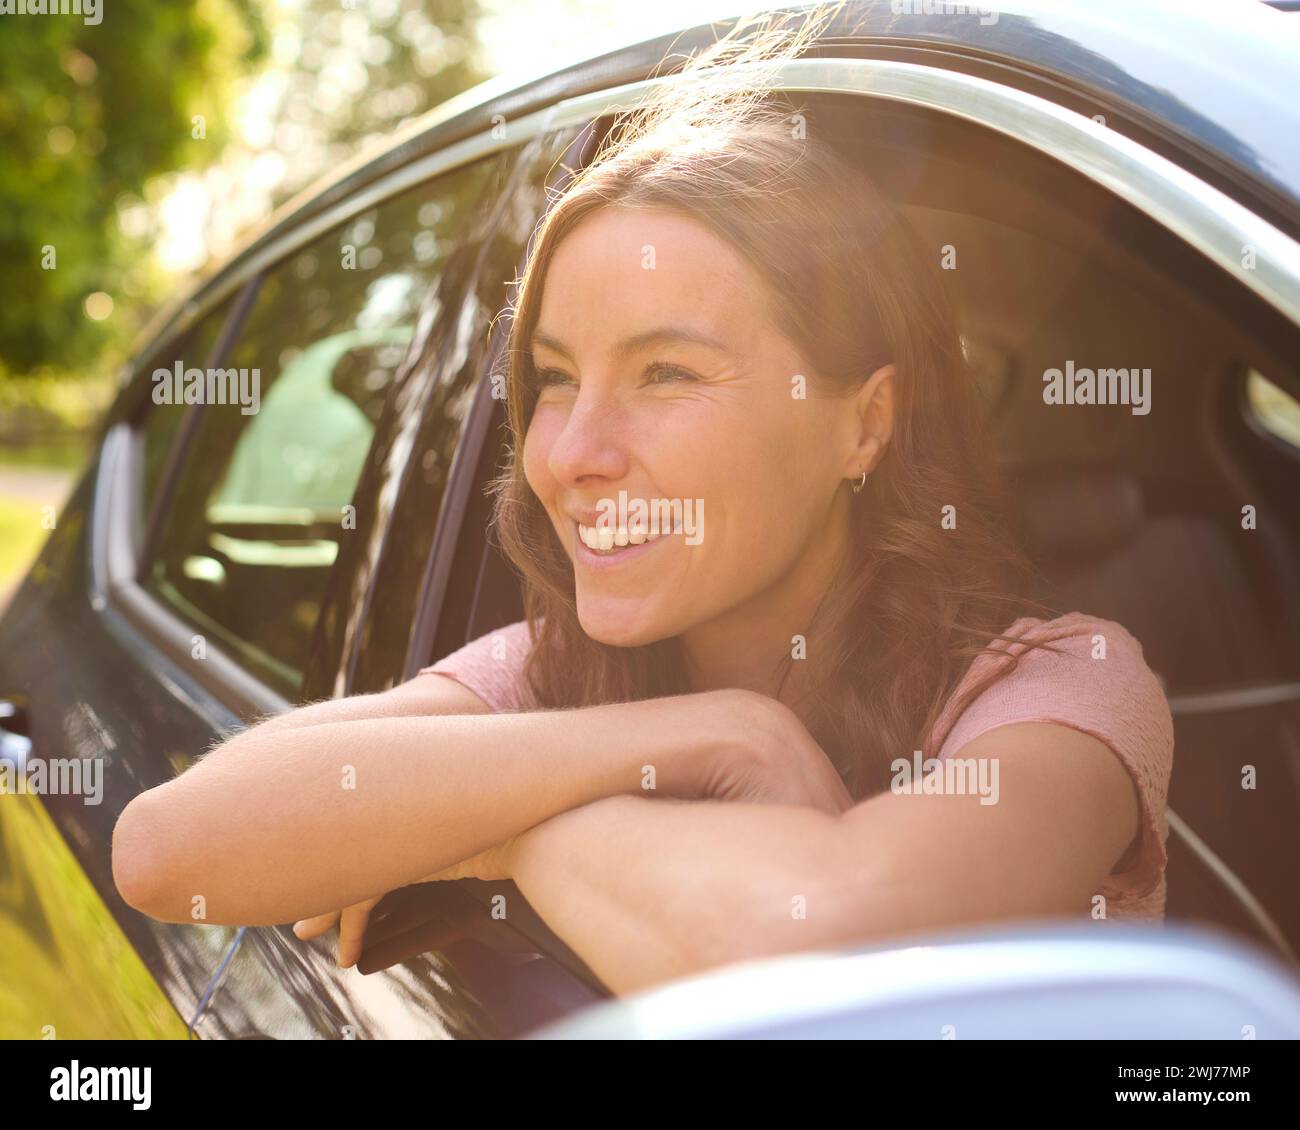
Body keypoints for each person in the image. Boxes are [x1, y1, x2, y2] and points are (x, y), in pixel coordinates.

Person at [111, 8, 1173, 998]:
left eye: (666, 373)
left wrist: (485, 835)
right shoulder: (556, 670)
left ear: (865, 421)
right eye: (556, 377)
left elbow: (830, 946)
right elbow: (165, 845)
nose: (571, 452)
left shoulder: (1064, 691)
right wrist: (722, 731)